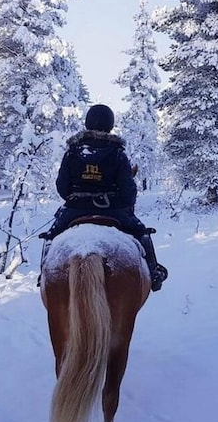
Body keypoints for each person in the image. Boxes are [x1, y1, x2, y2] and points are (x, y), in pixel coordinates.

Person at [40, 104, 168, 292]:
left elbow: (62, 187)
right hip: (113, 210)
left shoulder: (73, 151)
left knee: (50, 237)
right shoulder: (117, 153)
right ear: (110, 125)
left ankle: (42, 276)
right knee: (142, 233)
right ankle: (153, 272)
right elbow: (128, 191)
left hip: (76, 209)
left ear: (87, 123)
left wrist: (75, 198)